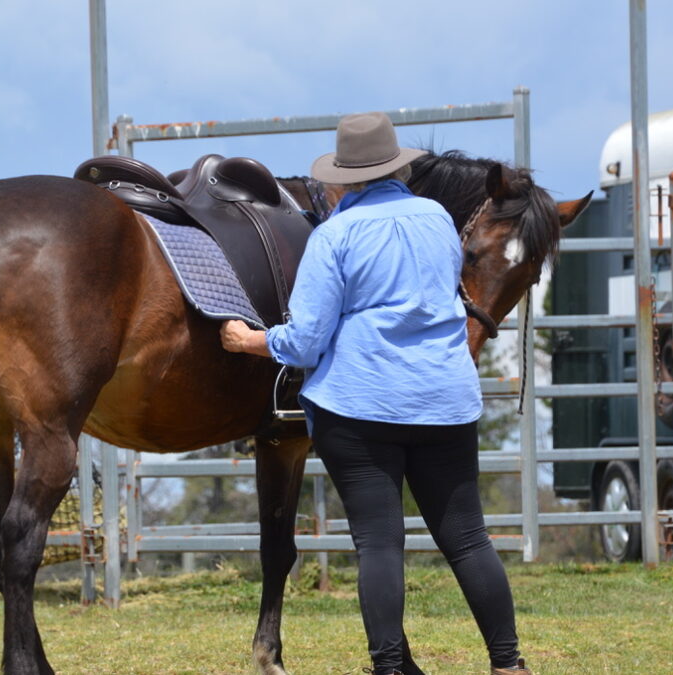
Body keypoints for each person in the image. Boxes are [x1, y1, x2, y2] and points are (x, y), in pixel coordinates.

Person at [220, 112, 530, 675]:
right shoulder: (438, 217)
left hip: (361, 407)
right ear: (395, 167)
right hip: (444, 399)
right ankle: (508, 664)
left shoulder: (334, 234)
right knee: (467, 538)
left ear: (344, 177)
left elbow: (308, 340)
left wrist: (250, 341)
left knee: (380, 544)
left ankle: (390, 667)